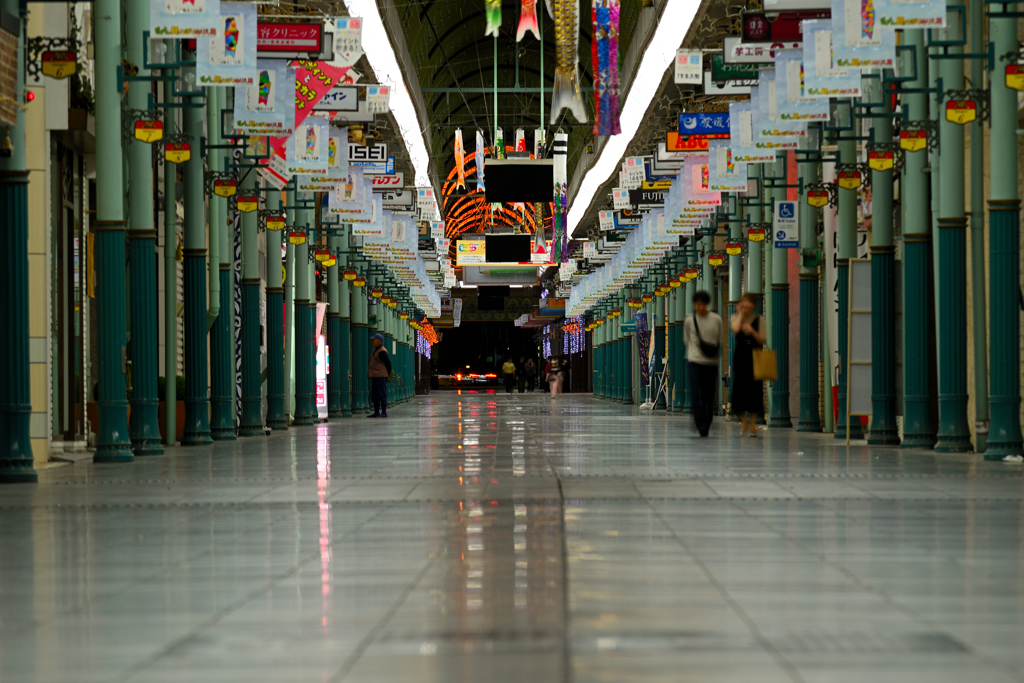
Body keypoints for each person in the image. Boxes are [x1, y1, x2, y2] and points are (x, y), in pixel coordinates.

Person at [683, 290, 725, 437]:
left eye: (703, 304)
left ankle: (707, 422)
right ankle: (700, 422)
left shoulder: (716, 319)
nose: (701, 307)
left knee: (708, 394)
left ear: (708, 304)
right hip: (694, 360)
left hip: (711, 362)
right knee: (696, 393)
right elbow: (687, 340)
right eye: (698, 304)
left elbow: (720, 339)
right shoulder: (689, 320)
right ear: (695, 304)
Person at [730, 292, 767, 436]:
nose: (746, 304)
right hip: (740, 356)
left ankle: (752, 424)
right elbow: (736, 329)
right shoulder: (735, 317)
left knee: (755, 389)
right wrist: (739, 313)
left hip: (754, 355)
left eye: (749, 302)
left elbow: (762, 339)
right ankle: (743, 422)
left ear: (754, 305)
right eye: (744, 301)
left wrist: (751, 330)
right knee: (740, 388)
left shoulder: (759, 320)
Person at [367, 333, 392, 418]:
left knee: (382, 394)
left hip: (380, 376)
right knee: (375, 395)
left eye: (373, 340)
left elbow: (388, 363)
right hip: (375, 376)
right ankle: (376, 412)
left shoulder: (382, 351)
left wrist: (387, 374)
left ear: (378, 342)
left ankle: (384, 412)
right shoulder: (376, 350)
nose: (372, 341)